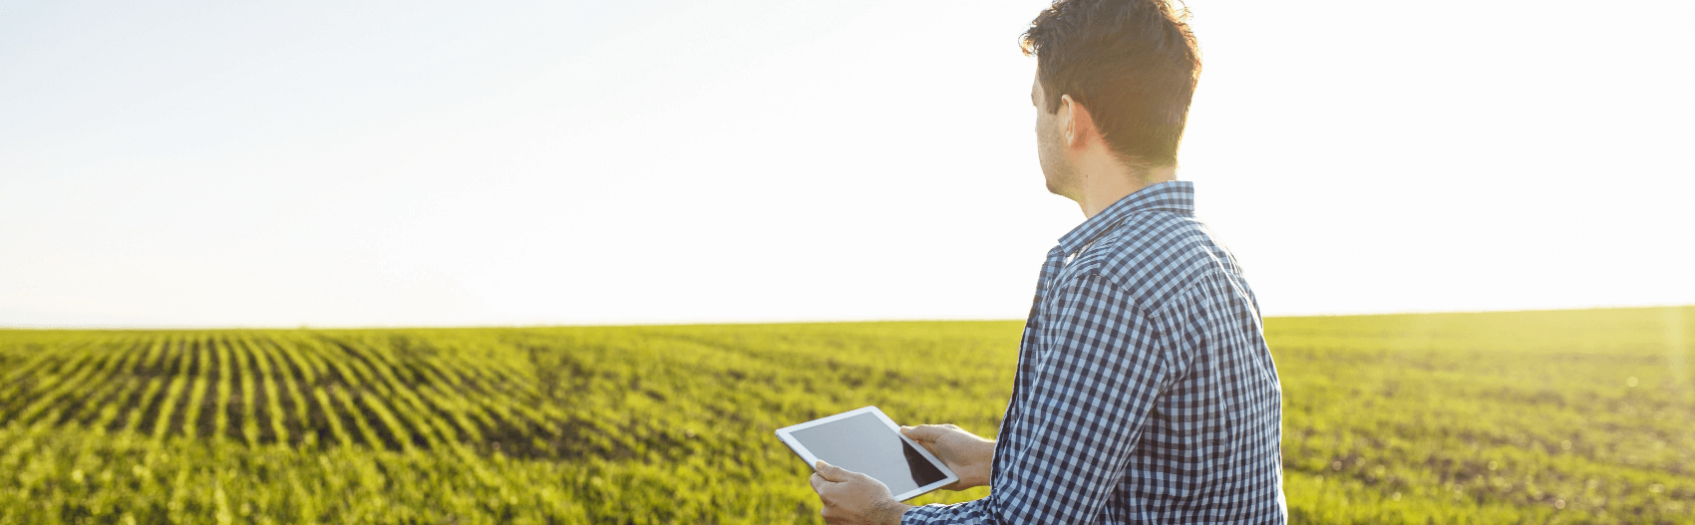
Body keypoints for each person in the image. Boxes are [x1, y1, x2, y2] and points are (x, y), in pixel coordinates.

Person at [805, 0, 1287, 523]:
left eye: (1038, 107)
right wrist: (996, 459)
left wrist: (884, 516)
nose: (1035, 126)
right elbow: (1173, 474)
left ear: (1071, 121)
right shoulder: (1205, 255)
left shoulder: (1110, 279)